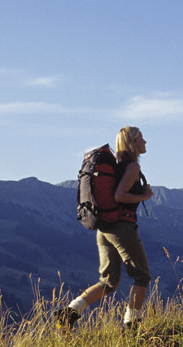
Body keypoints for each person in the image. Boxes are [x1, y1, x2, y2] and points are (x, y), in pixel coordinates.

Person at [57, 126, 154, 329]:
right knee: (142, 276)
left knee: (108, 282)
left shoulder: (117, 167)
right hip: (122, 229)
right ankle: (132, 323)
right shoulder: (132, 168)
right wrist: (144, 196)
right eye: (141, 139)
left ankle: (70, 312)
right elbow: (119, 196)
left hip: (104, 229)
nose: (145, 142)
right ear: (133, 143)